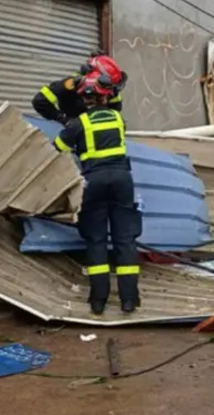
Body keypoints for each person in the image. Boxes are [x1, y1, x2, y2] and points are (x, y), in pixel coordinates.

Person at [53, 71, 140, 315]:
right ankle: (129, 300)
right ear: (106, 96)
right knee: (125, 240)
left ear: (84, 99)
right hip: (122, 180)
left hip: (94, 182)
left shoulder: (78, 124)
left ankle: (98, 301)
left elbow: (57, 148)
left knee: (96, 239)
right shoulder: (118, 119)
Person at [33, 52, 128, 124]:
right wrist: (63, 119)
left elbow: (116, 109)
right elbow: (40, 100)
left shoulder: (112, 91)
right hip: (74, 135)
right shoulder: (71, 84)